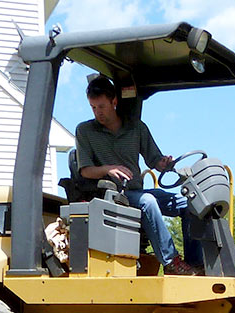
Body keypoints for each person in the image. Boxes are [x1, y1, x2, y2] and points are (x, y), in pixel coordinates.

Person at [73, 76, 201, 275]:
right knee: (148, 202)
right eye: (93, 107)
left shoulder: (137, 128)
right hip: (111, 195)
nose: (98, 112)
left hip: (135, 191)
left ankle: (195, 264)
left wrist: (164, 163)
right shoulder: (85, 131)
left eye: (101, 106)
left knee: (190, 203)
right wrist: (108, 169)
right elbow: (85, 170)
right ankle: (171, 262)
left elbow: (155, 161)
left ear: (114, 102)